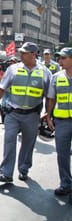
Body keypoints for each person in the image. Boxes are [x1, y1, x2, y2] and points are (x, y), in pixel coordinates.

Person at [0, 42, 51, 182]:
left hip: (32, 115)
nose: (21, 55)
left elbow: (49, 96)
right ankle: (6, 173)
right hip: (13, 113)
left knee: (28, 144)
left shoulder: (44, 72)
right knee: (9, 140)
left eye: (24, 53)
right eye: (21, 52)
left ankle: (23, 169)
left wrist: (48, 113)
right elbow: (2, 88)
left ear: (33, 55)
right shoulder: (13, 69)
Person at [45, 47, 72, 199]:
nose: (60, 61)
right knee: (62, 155)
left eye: (63, 58)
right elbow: (51, 98)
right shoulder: (56, 77)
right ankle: (66, 184)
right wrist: (48, 116)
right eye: (59, 58)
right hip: (61, 122)